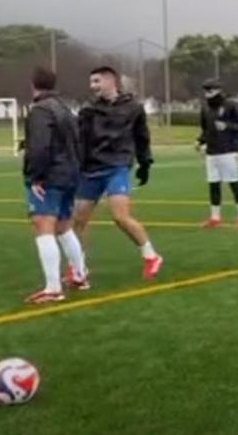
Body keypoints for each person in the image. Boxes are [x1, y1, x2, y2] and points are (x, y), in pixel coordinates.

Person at [73, 65, 163, 283]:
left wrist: (145, 163)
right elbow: (77, 139)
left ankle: (151, 256)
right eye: (91, 82)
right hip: (90, 169)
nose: (92, 86)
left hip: (117, 166)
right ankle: (77, 268)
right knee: (77, 221)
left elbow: (142, 138)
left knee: (120, 216)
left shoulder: (133, 108)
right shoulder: (88, 110)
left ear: (110, 81)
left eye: (96, 81)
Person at [21, 67, 88, 304]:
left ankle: (53, 288)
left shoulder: (40, 110)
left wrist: (36, 176)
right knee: (63, 226)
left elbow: (41, 146)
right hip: (70, 174)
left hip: (51, 176)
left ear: (33, 84)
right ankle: (79, 275)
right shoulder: (64, 108)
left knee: (43, 225)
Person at [196, 79, 238, 227]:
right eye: (206, 91)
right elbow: (205, 129)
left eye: (210, 90)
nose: (208, 94)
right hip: (211, 153)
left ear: (218, 90)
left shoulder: (231, 105)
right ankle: (215, 217)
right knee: (213, 184)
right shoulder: (205, 108)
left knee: (234, 183)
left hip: (228, 151)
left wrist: (227, 126)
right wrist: (200, 141)